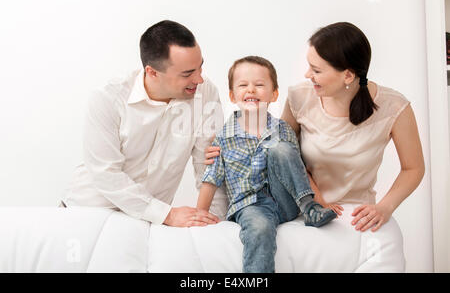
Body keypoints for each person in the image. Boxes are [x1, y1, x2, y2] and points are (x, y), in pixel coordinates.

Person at [205, 22, 425, 234]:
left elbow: (413, 168)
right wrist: (222, 152)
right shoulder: (300, 96)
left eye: (316, 70)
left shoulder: (394, 107)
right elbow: (279, 155)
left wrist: (386, 207)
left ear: (347, 75)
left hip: (352, 210)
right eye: (309, 66)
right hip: (299, 206)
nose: (307, 75)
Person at [61, 20, 227, 227]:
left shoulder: (206, 93)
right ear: (152, 72)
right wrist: (168, 215)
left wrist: (215, 222)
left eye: (200, 67)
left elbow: (210, 163)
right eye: (187, 74)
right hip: (87, 213)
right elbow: (106, 174)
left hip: (148, 224)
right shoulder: (107, 98)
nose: (199, 79)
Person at [196, 56, 336, 273]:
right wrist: (199, 213)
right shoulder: (224, 137)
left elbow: (297, 170)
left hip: (285, 200)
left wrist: (321, 202)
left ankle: (310, 209)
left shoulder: (283, 129)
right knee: (259, 229)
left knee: (280, 148)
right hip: (250, 205)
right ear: (233, 96)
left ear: (274, 94)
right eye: (243, 85)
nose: (251, 90)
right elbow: (211, 177)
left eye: (259, 85)